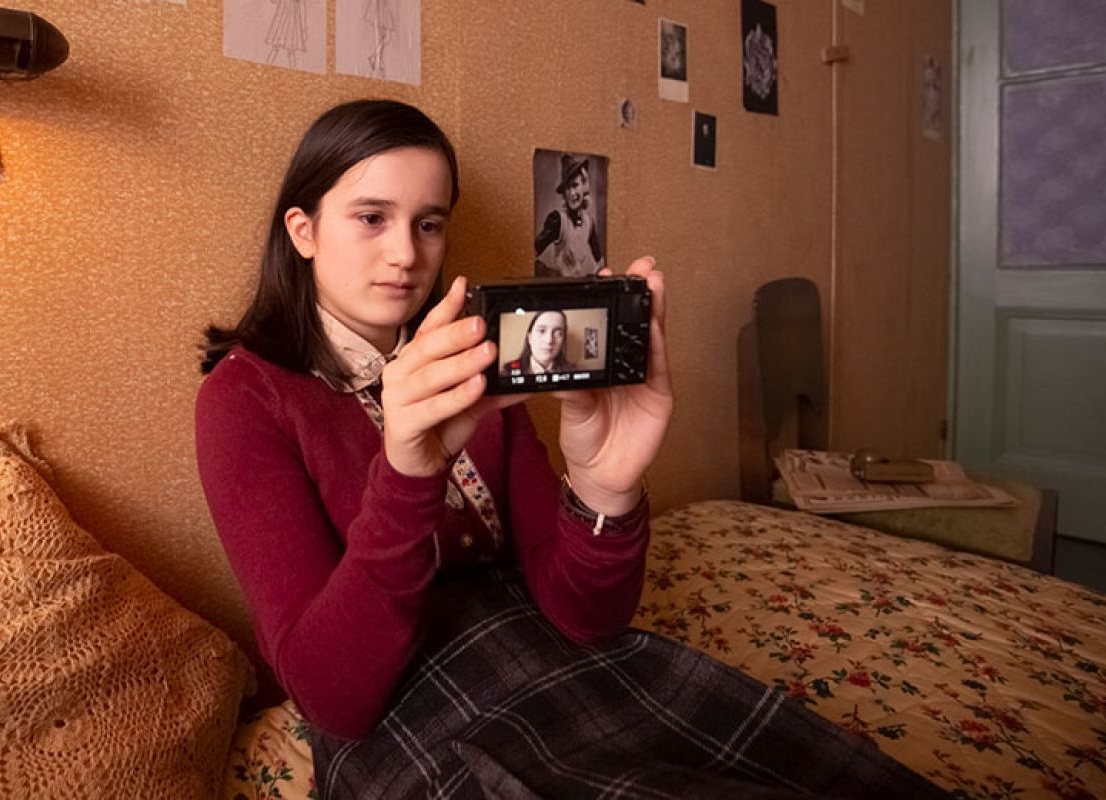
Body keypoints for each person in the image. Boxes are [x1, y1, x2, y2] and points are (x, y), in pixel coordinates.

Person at [196, 99, 947, 798]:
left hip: (554, 658)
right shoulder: (245, 398)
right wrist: (405, 473)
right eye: (370, 217)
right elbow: (334, 700)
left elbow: (584, 617)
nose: (405, 254)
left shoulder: (476, 359)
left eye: (428, 223)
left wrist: (603, 489)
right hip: (399, 704)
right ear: (302, 231)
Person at [534, 153, 605, 277]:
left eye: (575, 185)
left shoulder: (589, 222)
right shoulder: (557, 220)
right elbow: (533, 251)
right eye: (568, 188)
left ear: (583, 186)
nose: (572, 193)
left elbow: (600, 261)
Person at [500, 309, 575, 375]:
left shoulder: (572, 372)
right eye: (541, 331)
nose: (549, 340)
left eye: (558, 333)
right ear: (529, 338)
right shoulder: (508, 372)